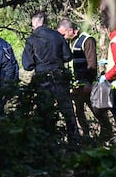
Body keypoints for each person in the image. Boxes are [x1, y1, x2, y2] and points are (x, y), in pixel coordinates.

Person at [22, 12, 79, 142]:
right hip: (59, 77)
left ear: (34, 24)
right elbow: (67, 56)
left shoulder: (31, 39)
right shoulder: (57, 36)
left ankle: (48, 143)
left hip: (42, 80)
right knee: (68, 112)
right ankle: (74, 142)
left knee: (44, 113)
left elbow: (27, 65)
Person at [57, 18, 112, 139]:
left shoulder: (87, 40)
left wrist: (88, 82)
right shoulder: (71, 41)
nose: (63, 37)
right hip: (76, 85)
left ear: (71, 30)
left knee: (97, 110)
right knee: (79, 112)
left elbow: (92, 64)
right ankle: (86, 135)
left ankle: (107, 132)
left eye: (63, 34)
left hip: (86, 84)